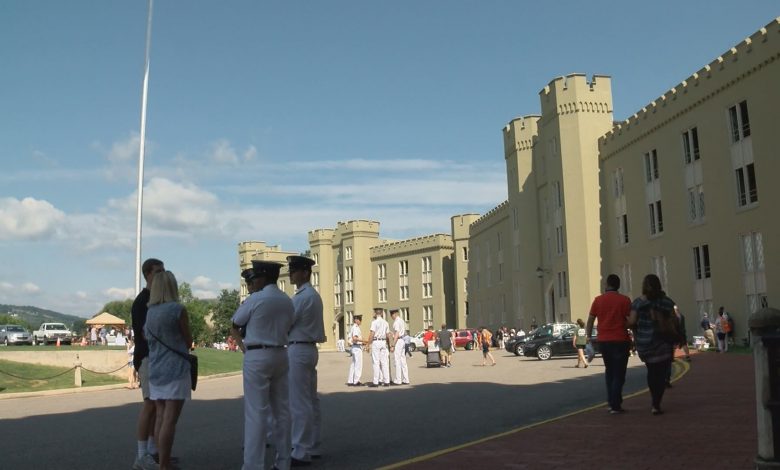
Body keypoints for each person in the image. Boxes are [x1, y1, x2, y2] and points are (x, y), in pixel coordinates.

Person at [230, 260, 295, 470]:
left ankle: (253, 465)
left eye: (255, 277)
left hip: (257, 354)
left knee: (256, 412)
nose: (253, 282)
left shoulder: (256, 298)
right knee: (282, 411)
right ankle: (284, 461)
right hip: (281, 353)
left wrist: (243, 346)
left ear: (263, 277)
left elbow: (236, 323)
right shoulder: (287, 300)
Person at [144, 270, 192, 470]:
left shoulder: (150, 312)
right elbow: (188, 340)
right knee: (170, 420)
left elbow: (147, 337)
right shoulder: (177, 310)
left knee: (161, 416)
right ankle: (165, 464)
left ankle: (159, 458)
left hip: (156, 368)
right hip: (175, 368)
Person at [287, 255, 326, 465]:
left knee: (299, 401)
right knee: (310, 400)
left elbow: (286, 322)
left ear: (304, 272)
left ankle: (300, 450)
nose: (291, 274)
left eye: (294, 271)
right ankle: (312, 445)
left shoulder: (302, 297)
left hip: (299, 348)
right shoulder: (311, 295)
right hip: (307, 349)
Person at [131, 257, 165, 470]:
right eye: (158, 271)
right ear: (148, 275)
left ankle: (152, 450)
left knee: (157, 405)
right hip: (147, 357)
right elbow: (144, 333)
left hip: (158, 357)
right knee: (150, 404)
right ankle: (142, 455)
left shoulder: (157, 299)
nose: (162, 275)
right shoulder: (142, 302)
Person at [627, 274, 678, 415]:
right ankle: (656, 403)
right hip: (663, 342)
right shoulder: (667, 302)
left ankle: (654, 399)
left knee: (651, 372)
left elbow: (631, 322)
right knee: (661, 374)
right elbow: (674, 321)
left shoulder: (638, 303)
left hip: (645, 344)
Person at [586, 274, 632, 414]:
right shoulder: (625, 300)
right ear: (618, 285)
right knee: (619, 373)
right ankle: (615, 403)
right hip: (620, 340)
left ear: (606, 284)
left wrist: (588, 337)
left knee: (609, 371)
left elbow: (590, 320)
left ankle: (611, 402)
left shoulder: (598, 300)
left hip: (604, 340)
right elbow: (631, 321)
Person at [367, 308, 390, 387]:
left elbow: (372, 333)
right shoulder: (386, 323)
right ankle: (386, 381)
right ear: (382, 313)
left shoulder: (374, 322)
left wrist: (368, 344)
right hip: (383, 342)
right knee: (384, 362)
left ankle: (376, 382)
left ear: (376, 313)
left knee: (376, 362)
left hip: (376, 341)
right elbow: (388, 335)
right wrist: (389, 344)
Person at [390, 309, 410, 384]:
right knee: (403, 360)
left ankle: (398, 380)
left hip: (398, 341)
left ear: (393, 314)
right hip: (402, 340)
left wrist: (393, 345)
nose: (392, 317)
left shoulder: (396, 322)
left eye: (391, 315)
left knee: (397, 360)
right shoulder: (401, 320)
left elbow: (397, 333)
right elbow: (403, 332)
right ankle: (406, 379)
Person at [347, 315, 366, 386]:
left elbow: (350, 338)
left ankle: (350, 380)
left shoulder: (353, 327)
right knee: (358, 365)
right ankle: (356, 381)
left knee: (353, 364)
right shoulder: (355, 328)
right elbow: (355, 338)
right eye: (360, 320)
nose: (360, 322)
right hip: (357, 347)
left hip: (354, 347)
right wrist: (364, 341)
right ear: (356, 320)